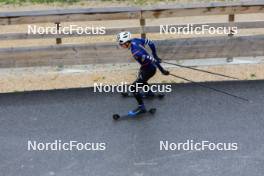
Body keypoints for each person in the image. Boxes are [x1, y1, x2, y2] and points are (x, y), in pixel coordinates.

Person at [117, 31, 170, 116]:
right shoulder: (135, 40)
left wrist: (162, 70)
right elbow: (150, 43)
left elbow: (151, 60)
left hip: (149, 70)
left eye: (122, 44)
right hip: (146, 67)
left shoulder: (136, 52)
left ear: (127, 42)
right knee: (140, 77)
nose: (121, 46)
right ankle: (149, 93)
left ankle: (142, 108)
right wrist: (155, 55)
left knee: (133, 88)